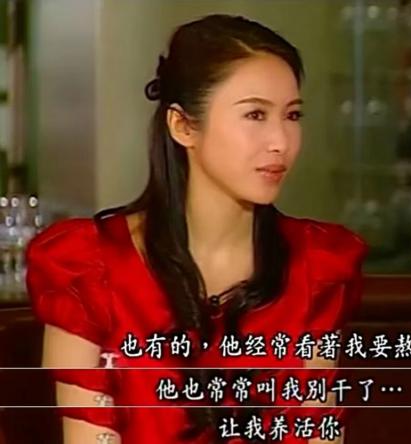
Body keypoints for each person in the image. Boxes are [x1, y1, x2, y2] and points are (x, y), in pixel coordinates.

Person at [25, 13, 368, 444]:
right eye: (255, 114)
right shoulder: (87, 269)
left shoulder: (316, 266)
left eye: (293, 115)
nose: (281, 141)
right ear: (183, 126)